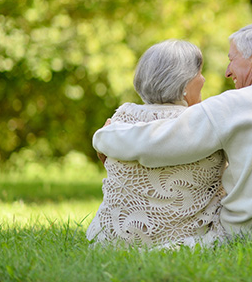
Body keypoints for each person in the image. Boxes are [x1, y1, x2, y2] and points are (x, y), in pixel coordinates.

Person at [93, 22, 252, 240]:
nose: (227, 72)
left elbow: (159, 142)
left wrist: (104, 136)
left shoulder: (231, 105)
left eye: (231, 60)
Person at [86, 40, 226, 249]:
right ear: (185, 84)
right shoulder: (203, 124)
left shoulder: (122, 118)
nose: (203, 79)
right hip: (182, 239)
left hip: (112, 239)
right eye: (199, 73)